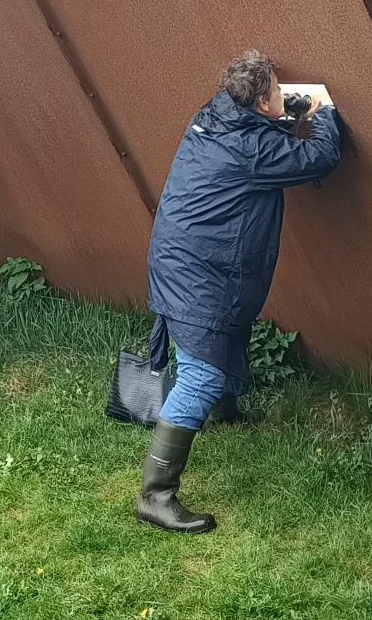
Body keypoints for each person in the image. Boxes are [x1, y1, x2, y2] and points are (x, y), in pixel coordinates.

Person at [135, 50, 345, 533]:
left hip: (185, 254)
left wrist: (286, 111)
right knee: (201, 373)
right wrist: (323, 114)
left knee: (225, 334)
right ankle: (155, 496)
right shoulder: (251, 150)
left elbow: (260, 137)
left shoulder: (217, 115)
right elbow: (320, 157)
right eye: (277, 91)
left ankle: (222, 412)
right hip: (197, 270)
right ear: (262, 103)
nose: (283, 94)